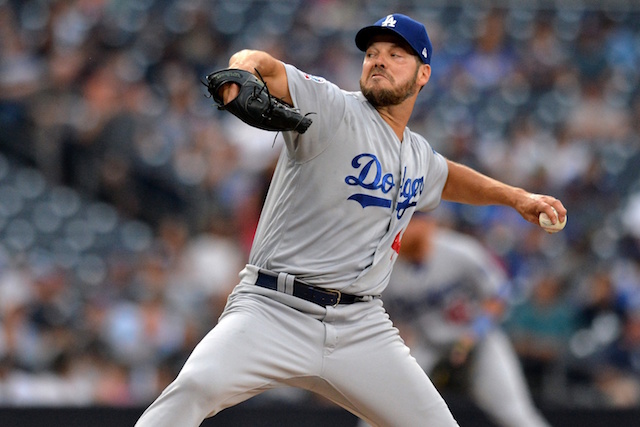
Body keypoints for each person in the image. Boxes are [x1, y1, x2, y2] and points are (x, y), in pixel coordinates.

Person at [135, 13, 566, 427]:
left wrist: (517, 198)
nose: (379, 59)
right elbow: (259, 62)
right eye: (372, 52)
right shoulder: (332, 107)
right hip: (272, 309)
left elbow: (448, 176)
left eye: (397, 55)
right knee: (193, 388)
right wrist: (240, 71)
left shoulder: (416, 154)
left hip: (360, 327)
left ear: (423, 75)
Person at [358, 215, 551, 427]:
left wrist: (474, 333)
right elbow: (378, 315)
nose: (405, 230)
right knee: (379, 410)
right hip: (427, 345)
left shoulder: (460, 251)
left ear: (428, 223)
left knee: (514, 413)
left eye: (412, 222)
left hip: (480, 341)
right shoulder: (385, 266)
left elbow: (499, 295)